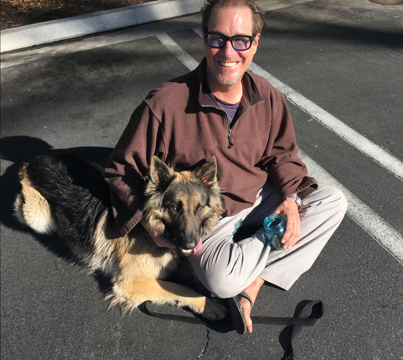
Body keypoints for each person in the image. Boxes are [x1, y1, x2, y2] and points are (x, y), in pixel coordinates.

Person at [104, 0, 348, 334]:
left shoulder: (269, 96)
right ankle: (264, 248)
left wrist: (290, 199)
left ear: (255, 42)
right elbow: (120, 170)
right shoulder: (165, 103)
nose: (228, 51)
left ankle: (256, 280)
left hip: (260, 198)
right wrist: (152, 228)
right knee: (221, 282)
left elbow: (282, 155)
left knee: (333, 202)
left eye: (240, 40)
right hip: (204, 218)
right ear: (204, 37)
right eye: (217, 38)